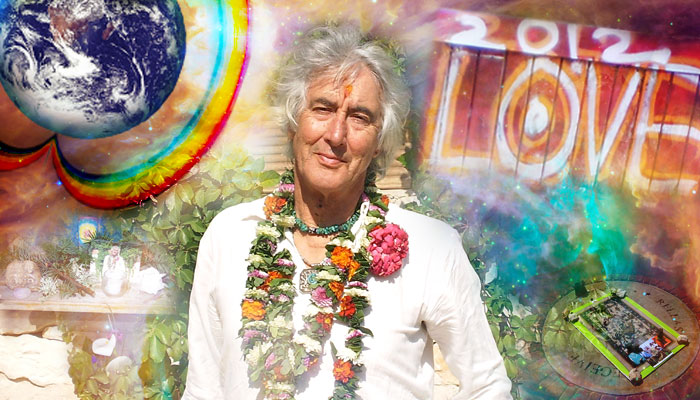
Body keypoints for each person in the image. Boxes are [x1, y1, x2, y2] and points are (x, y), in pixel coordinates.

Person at [183, 23, 511, 400]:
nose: (336, 135)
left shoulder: (431, 247)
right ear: (293, 122)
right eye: (322, 109)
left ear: (378, 142)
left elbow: (488, 387)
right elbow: (203, 390)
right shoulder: (229, 235)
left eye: (359, 117)